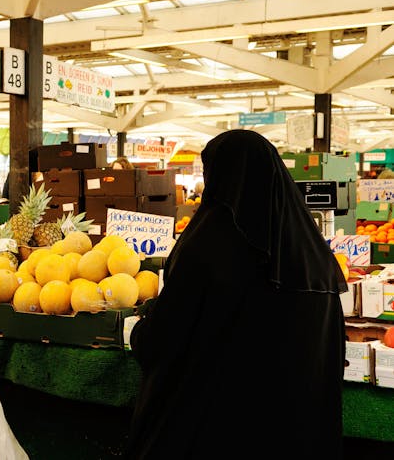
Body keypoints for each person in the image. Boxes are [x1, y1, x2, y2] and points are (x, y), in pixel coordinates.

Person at [125, 130, 347, 459]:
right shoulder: (314, 253)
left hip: (216, 432)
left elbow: (166, 337)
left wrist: (138, 331)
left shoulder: (207, 243)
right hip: (297, 435)